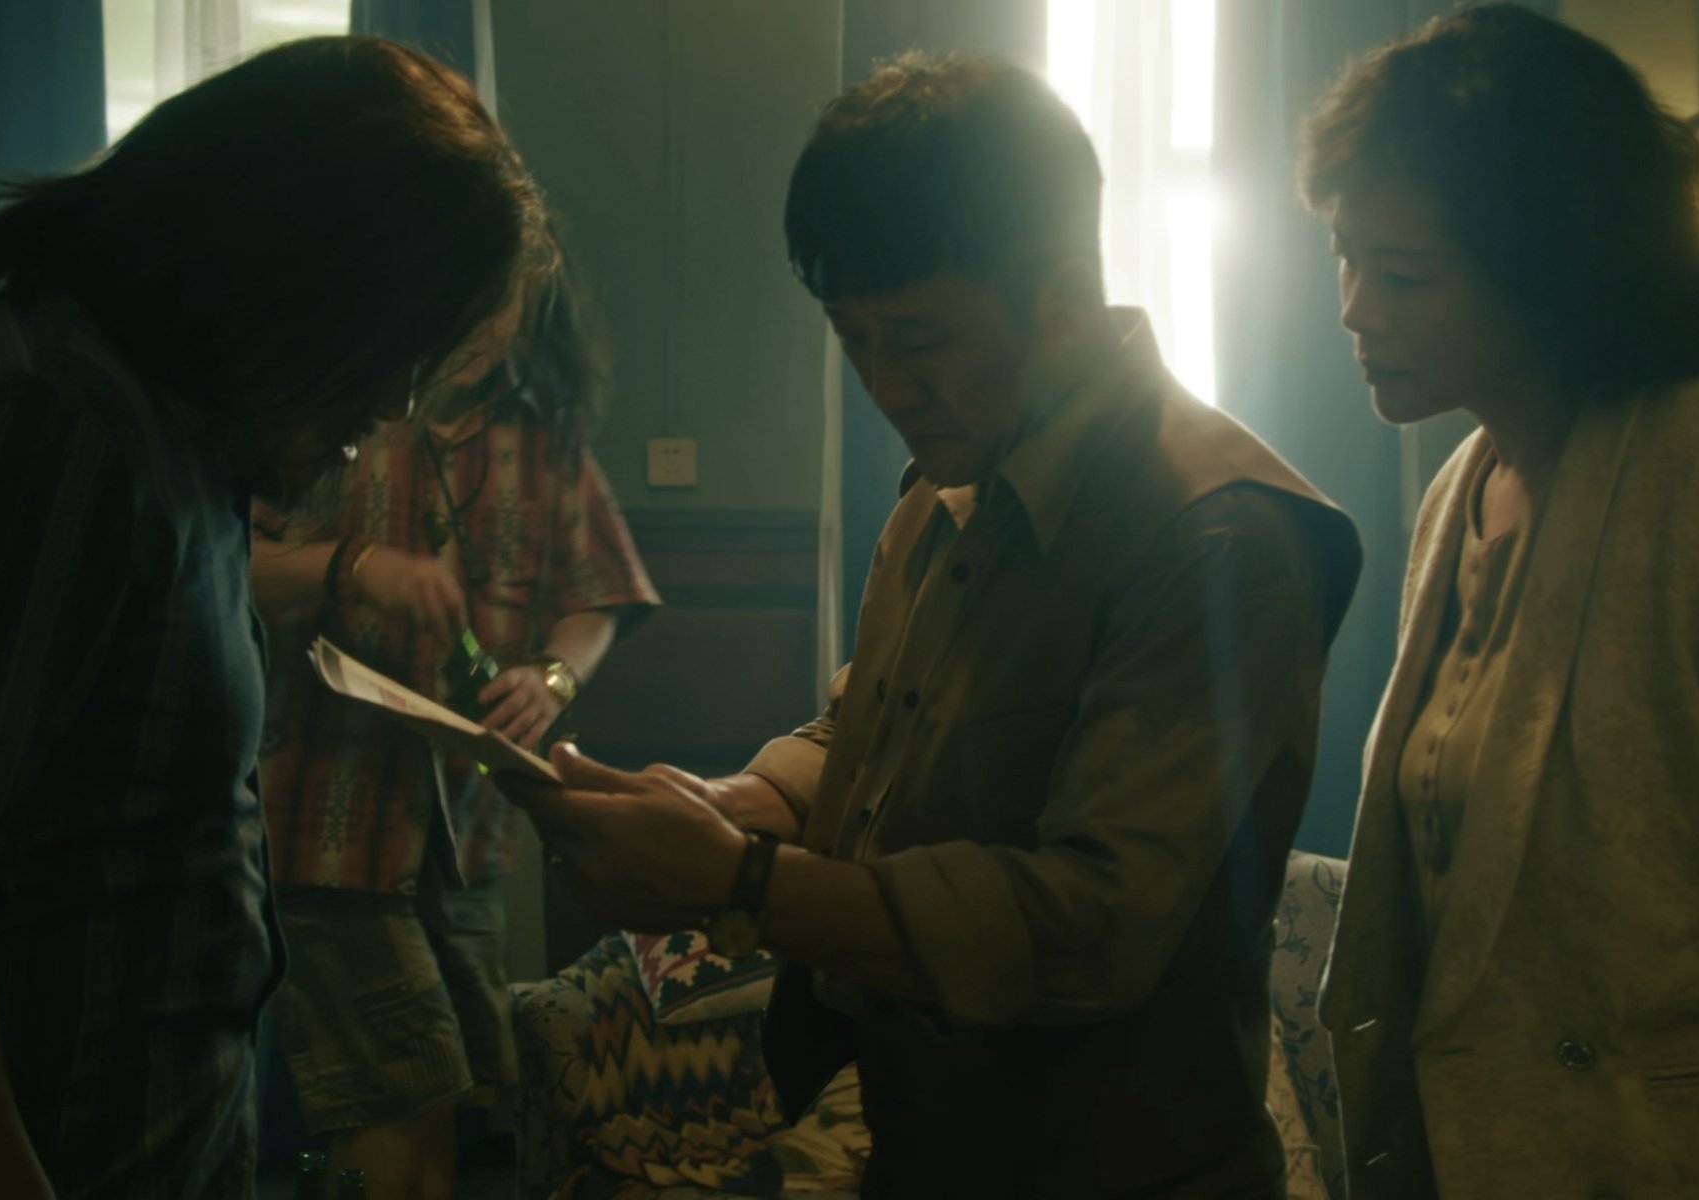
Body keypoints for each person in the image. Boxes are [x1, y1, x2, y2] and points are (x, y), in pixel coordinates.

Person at [506, 52, 1363, 1198]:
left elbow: (1092, 925)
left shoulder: (1218, 537)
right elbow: (866, 735)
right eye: (849, 338)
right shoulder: (947, 488)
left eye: (917, 340)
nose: (884, 386)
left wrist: (745, 881)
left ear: (1063, 300)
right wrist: (732, 805)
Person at [0, 37, 541, 1199]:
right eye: (394, 348)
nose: (394, 403)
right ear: (298, 274)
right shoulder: (29, 419)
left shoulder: (176, 452)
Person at [1302, 7, 1699, 1198]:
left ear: (1548, 278)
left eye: (1401, 273)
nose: (1354, 308)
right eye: (1343, 258)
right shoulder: (1460, 489)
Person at [249, 255, 659, 1200]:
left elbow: (599, 597)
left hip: (466, 844)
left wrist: (551, 677)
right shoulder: (333, 414)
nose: (486, 323)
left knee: (466, 1103)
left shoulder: (542, 434)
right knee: (403, 1095)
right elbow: (227, 562)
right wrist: (353, 566)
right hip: (330, 836)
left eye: (505, 298)